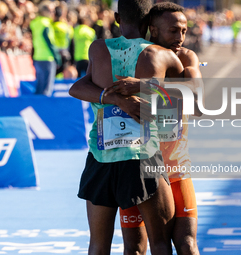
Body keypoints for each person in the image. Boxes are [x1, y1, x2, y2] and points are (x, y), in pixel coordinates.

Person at [72, 2, 204, 255]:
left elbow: (196, 102)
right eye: (173, 30)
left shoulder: (184, 57)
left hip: (173, 166)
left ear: (119, 18)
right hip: (139, 160)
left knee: (186, 244)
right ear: (151, 28)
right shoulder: (153, 54)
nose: (180, 37)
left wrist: (143, 86)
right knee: (136, 246)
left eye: (184, 31)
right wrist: (119, 98)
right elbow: (77, 88)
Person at [30, 1, 61, 95]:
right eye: (51, 10)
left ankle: (35, 107)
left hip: (37, 58)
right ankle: (43, 109)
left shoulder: (35, 23)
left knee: (39, 87)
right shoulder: (46, 24)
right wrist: (57, 57)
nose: (53, 13)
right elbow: (49, 43)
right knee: (46, 89)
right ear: (43, 11)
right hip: (48, 58)